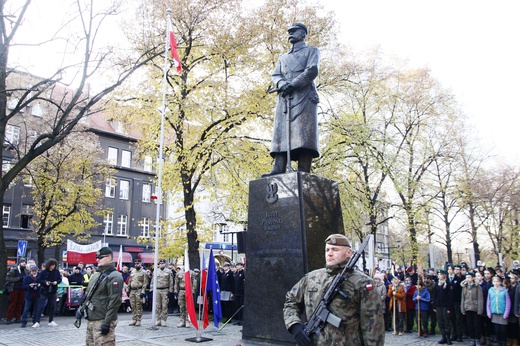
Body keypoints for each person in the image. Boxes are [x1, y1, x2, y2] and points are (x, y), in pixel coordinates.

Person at [283, 234, 384, 345]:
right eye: (327, 250)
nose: (329, 253)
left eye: (335, 250)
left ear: (348, 253)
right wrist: (295, 326)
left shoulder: (362, 283)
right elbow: (291, 301)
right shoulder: (311, 278)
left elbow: (373, 324)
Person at [263, 22, 320, 176]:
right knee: (281, 131)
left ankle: (304, 168)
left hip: (304, 94)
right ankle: (278, 166)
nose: (290, 33)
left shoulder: (312, 50)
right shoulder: (283, 58)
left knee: (304, 133)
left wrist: (294, 84)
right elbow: (275, 75)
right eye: (289, 31)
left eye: (294, 31)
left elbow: (312, 69)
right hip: (285, 97)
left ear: (303, 33)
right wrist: (282, 84)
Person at [83, 247, 123, 346]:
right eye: (97, 257)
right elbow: (89, 295)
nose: (97, 260)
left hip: (103, 319)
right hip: (92, 318)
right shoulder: (96, 275)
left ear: (109, 258)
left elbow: (115, 301)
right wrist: (81, 309)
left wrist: (107, 322)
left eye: (100, 257)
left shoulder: (114, 276)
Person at [34, 258, 62, 328]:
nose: (53, 267)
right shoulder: (43, 272)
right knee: (40, 306)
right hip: (44, 291)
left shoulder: (56, 272)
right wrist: (45, 282)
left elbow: (59, 279)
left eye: (54, 265)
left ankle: (51, 320)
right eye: (52, 265)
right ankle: (37, 321)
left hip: (53, 290)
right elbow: (39, 279)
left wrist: (56, 282)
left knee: (52, 306)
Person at [4, 257, 30, 324]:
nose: (24, 264)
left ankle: (17, 317)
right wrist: (19, 279)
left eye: (25, 262)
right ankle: (9, 318)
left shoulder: (26, 271)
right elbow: (8, 278)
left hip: (22, 289)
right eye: (22, 262)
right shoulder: (14, 270)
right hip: (14, 289)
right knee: (12, 303)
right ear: (19, 263)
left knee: (20, 303)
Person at [487, 275, 511, 346]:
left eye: (497, 281)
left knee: (503, 330)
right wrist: (489, 312)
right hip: (495, 313)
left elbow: (508, 303)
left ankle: (503, 342)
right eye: (494, 281)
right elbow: (488, 302)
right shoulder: (491, 290)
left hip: (502, 313)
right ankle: (498, 342)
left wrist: (506, 313)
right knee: (497, 330)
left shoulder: (504, 291)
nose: (496, 283)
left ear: (500, 282)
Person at [461, 272, 483, 346]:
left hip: (475, 307)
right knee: (469, 325)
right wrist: (462, 309)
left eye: (469, 277)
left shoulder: (477, 287)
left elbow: (480, 298)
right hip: (467, 307)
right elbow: (463, 298)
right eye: (466, 277)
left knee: (476, 325)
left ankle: (477, 339)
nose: (467, 279)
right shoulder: (465, 286)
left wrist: (480, 309)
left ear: (473, 278)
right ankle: (472, 339)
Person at [150, 259, 173, 326]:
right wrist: (152, 289)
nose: (161, 264)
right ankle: (158, 319)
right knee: (157, 305)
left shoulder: (169, 272)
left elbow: (171, 281)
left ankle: (163, 319)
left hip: (165, 290)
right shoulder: (156, 271)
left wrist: (170, 290)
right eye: (160, 263)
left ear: (165, 264)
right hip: (157, 289)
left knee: (164, 305)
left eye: (162, 263)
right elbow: (152, 280)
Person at [434, 269, 454, 345]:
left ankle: (448, 337)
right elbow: (435, 295)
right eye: (438, 274)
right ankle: (443, 337)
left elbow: (450, 297)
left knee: (446, 321)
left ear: (444, 275)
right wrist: (434, 306)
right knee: (440, 321)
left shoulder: (448, 284)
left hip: (445, 306)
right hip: (438, 305)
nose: (439, 275)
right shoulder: (437, 284)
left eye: (440, 274)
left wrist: (449, 307)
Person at [127, 259, 148, 326]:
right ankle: (134, 319)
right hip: (132, 290)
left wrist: (143, 291)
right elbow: (130, 281)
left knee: (138, 305)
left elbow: (145, 283)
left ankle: (138, 320)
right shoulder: (133, 271)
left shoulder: (143, 272)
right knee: (133, 305)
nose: (136, 265)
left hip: (139, 290)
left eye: (138, 263)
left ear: (140, 264)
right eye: (135, 263)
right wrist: (128, 289)